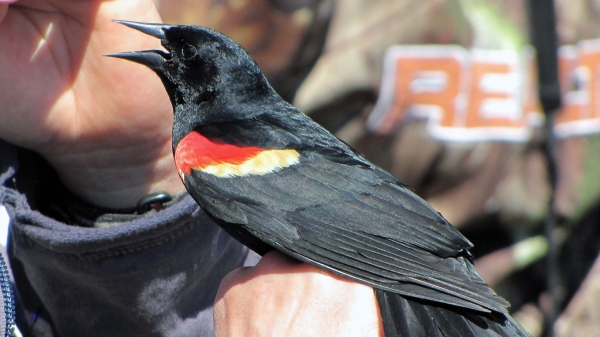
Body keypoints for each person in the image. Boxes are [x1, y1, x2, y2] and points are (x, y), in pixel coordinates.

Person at [0, 0, 381, 336]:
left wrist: (121, 164)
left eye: (186, 53)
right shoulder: (214, 138)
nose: (160, 42)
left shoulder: (212, 140)